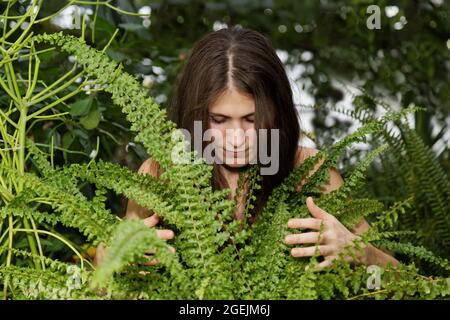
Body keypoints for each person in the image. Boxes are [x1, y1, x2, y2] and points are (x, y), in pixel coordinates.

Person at [95, 26, 400, 271]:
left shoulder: (311, 172)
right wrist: (112, 259)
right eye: (219, 120)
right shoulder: (159, 174)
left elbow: (408, 282)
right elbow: (103, 284)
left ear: (277, 113)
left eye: (252, 119)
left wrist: (361, 253)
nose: (237, 138)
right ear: (194, 117)